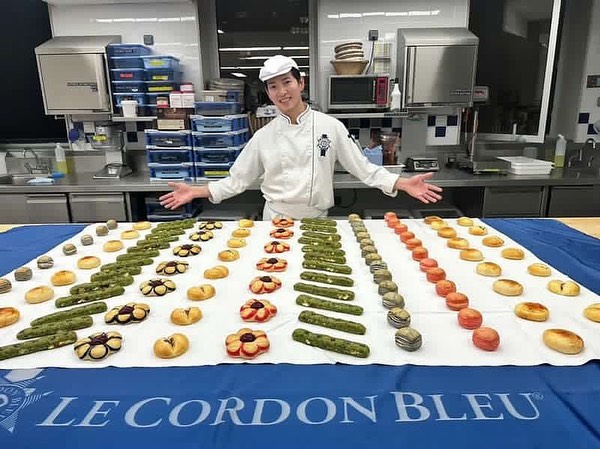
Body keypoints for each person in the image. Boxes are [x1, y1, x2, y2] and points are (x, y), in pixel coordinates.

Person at [160, 55, 442, 219]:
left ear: (301, 83)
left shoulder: (330, 126)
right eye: (273, 86)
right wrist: (196, 191)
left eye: (287, 82)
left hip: (317, 219)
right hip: (275, 220)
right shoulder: (263, 136)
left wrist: (402, 183)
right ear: (268, 93)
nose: (282, 92)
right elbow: (236, 180)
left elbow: (364, 169)